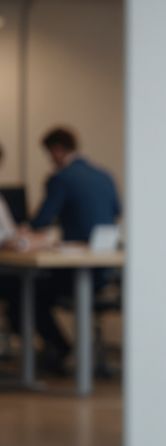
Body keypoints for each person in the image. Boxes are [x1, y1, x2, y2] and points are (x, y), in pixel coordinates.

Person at [6, 127, 121, 374]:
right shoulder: (103, 175)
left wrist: (26, 232)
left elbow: (41, 220)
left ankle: (59, 349)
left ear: (57, 151)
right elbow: (116, 210)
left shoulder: (62, 178)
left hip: (72, 271)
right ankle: (59, 351)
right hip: (105, 272)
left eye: (49, 155)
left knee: (24, 292)